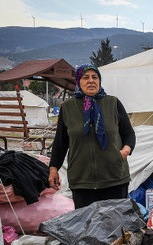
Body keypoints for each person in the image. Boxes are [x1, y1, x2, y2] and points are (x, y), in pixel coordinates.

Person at [48, 64, 135, 209]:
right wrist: (53, 168)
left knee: (114, 226)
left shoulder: (112, 103)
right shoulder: (68, 107)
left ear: (99, 81)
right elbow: (61, 141)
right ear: (78, 82)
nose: (91, 81)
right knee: (86, 227)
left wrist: (125, 151)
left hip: (114, 177)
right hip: (82, 180)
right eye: (85, 77)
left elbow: (129, 133)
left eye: (95, 77)